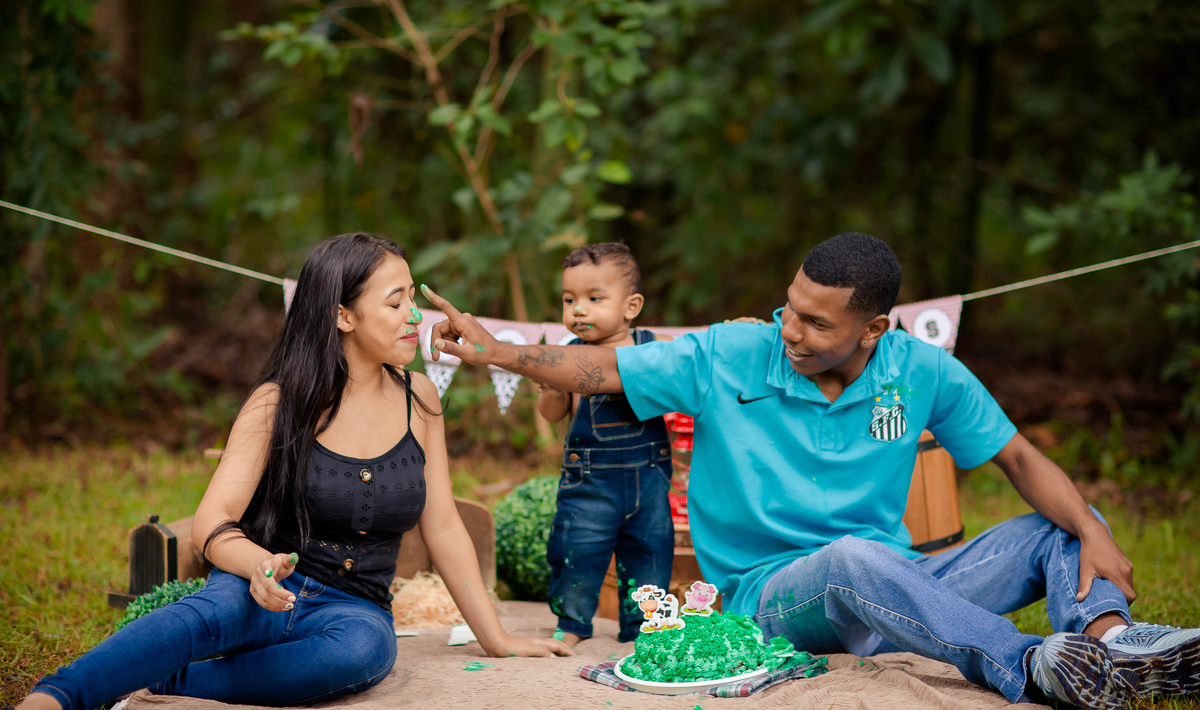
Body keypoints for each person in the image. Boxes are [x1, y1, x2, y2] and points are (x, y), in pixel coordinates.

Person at [420, 232, 1200, 710]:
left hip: (898, 587)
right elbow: (594, 372)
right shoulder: (731, 351)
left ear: (875, 328)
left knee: (1058, 526)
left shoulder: (920, 369)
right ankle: (1029, 664)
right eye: (790, 306)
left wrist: (1090, 530)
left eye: (816, 321)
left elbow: (1021, 458)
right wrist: (499, 353)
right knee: (854, 560)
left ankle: (1117, 650)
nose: (789, 327)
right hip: (770, 598)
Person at [19, 232, 570, 710]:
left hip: (351, 611)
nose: (414, 315)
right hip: (258, 582)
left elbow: (444, 523)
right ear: (343, 315)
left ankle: (174, 679)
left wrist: (494, 636)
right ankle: (59, 695)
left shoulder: (419, 399)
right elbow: (215, 519)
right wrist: (258, 567)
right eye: (396, 300)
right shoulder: (277, 402)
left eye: (412, 297)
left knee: (365, 653)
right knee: (207, 614)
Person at [534, 242, 674, 646]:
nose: (579, 309)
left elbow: (687, 376)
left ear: (631, 306)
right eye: (569, 299)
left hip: (648, 480)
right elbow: (552, 413)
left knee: (650, 554)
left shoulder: (656, 347)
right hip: (589, 485)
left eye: (594, 299)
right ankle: (573, 623)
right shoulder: (567, 356)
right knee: (576, 552)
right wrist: (550, 388)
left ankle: (644, 626)